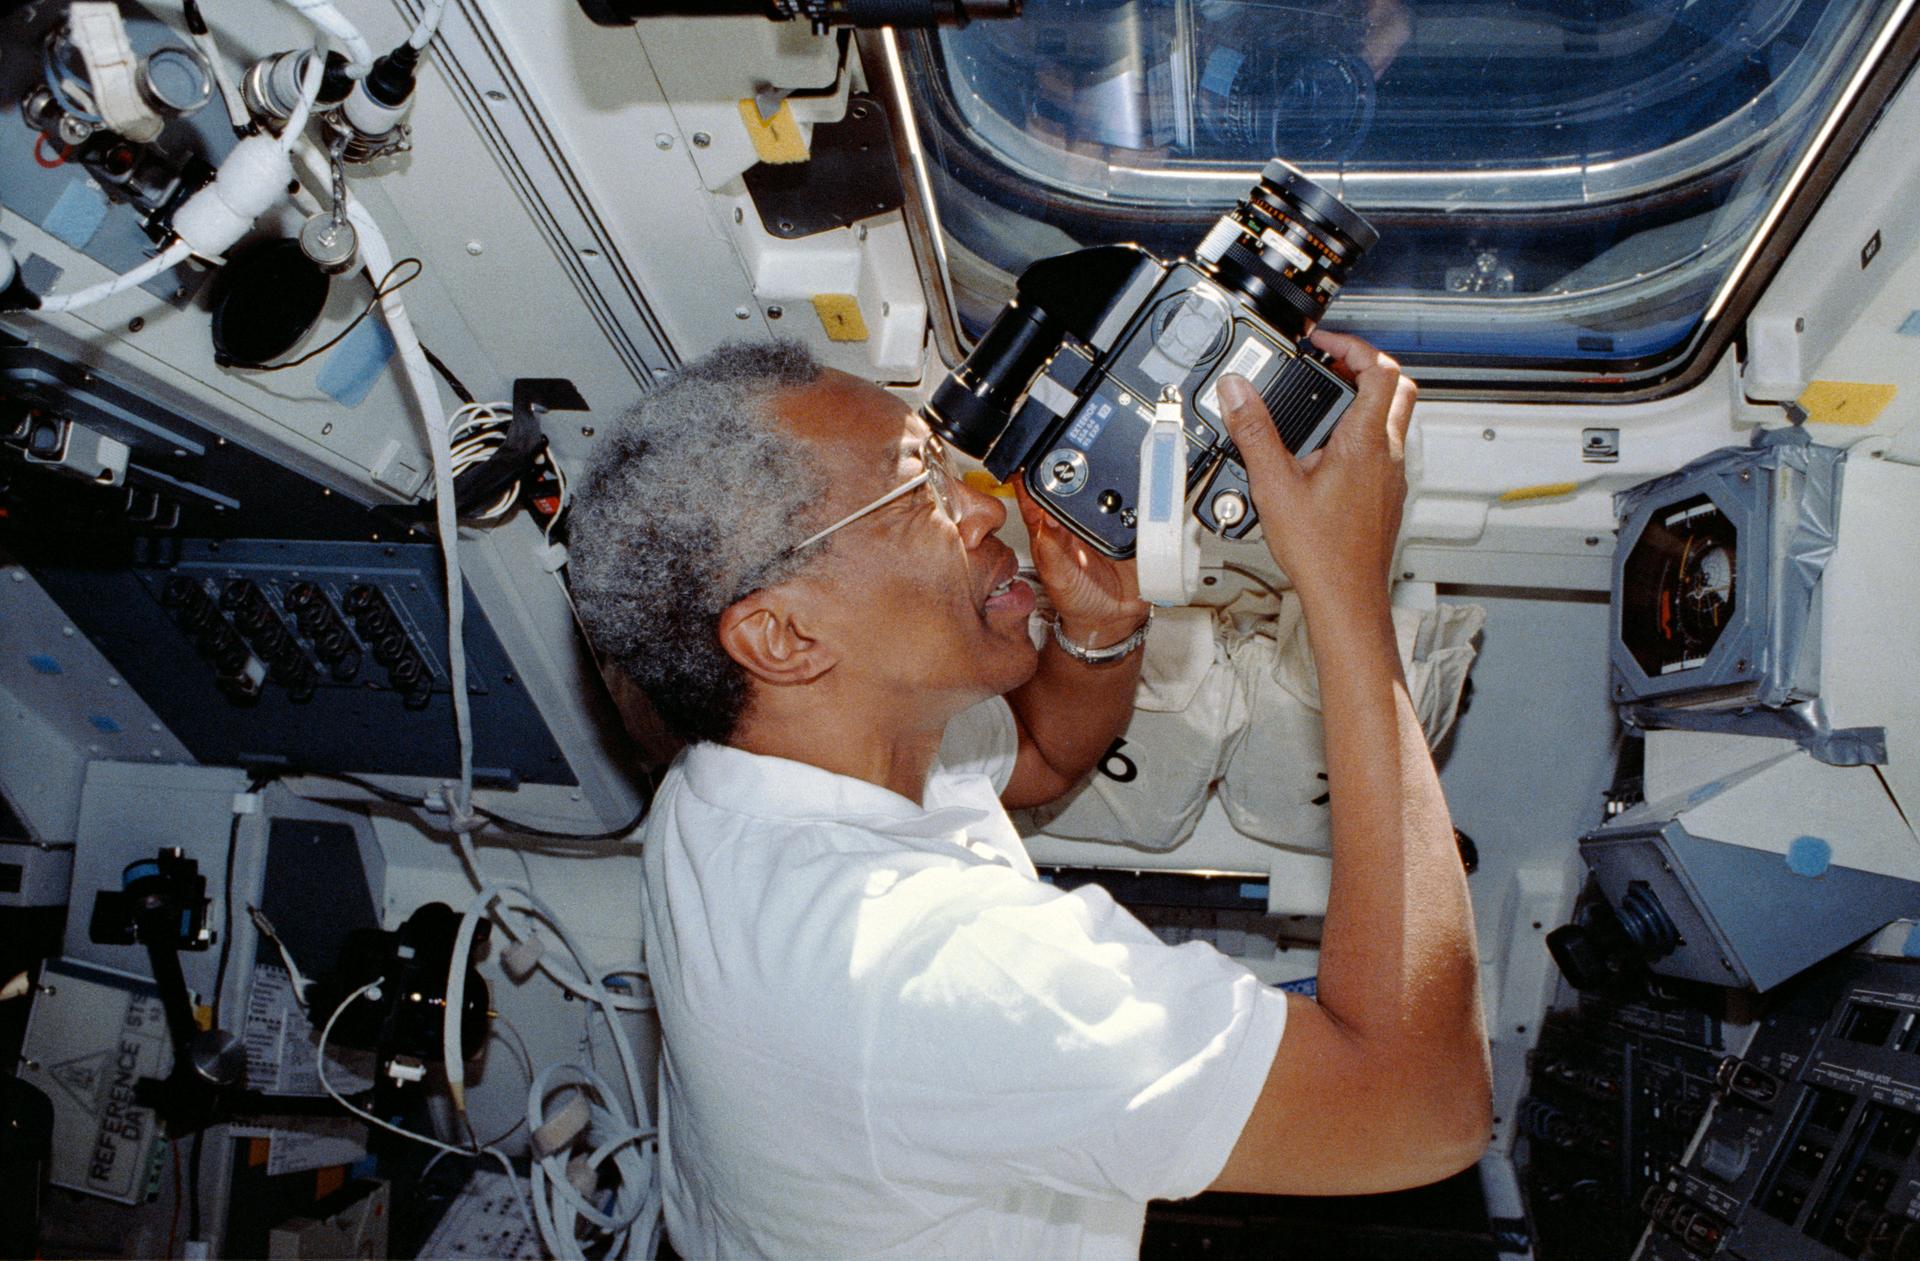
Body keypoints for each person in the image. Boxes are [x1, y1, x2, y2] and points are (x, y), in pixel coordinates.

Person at [567, 332, 1491, 1258]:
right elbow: (1427, 1105)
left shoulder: (729, 780)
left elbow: (1044, 751)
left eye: (944, 463)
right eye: (919, 492)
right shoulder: (941, 970)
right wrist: (1346, 591)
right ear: (783, 635)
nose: (979, 508)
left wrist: (1100, 629)